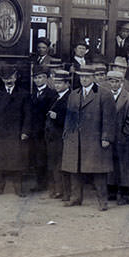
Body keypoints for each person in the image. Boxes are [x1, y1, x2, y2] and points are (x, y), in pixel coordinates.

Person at [61, 65, 116, 210]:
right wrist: (67, 134)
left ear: (93, 77)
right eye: (81, 77)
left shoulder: (104, 94)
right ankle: (76, 198)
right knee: (75, 169)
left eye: (87, 77)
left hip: (95, 139)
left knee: (98, 172)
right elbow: (70, 117)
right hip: (75, 139)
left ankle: (102, 201)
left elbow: (109, 119)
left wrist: (106, 137)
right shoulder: (74, 94)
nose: (84, 79)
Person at [0, 66, 30, 197]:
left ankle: (18, 188)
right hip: (0, 133)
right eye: (6, 78)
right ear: (1, 79)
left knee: (17, 162)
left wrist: (25, 131)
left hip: (16, 133)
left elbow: (28, 115)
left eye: (11, 77)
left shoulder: (24, 94)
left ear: (16, 77)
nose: (9, 80)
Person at [107, 69, 129, 205]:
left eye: (117, 82)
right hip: (108, 137)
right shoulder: (104, 96)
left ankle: (125, 192)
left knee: (125, 166)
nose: (114, 84)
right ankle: (112, 191)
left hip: (124, 138)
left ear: (121, 83)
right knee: (110, 164)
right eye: (111, 81)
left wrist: (124, 135)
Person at [44, 69, 71, 200]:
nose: (57, 85)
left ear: (67, 84)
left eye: (60, 83)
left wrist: (58, 116)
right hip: (52, 137)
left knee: (60, 165)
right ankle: (56, 189)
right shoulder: (55, 96)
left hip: (62, 137)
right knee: (53, 164)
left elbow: (73, 118)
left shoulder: (70, 98)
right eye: (55, 83)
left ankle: (62, 191)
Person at [29, 65, 53, 192]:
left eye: (40, 77)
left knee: (45, 158)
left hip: (46, 132)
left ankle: (47, 184)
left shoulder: (51, 94)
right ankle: (40, 183)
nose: (38, 80)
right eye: (36, 78)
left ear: (46, 78)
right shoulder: (33, 94)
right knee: (37, 158)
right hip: (35, 132)